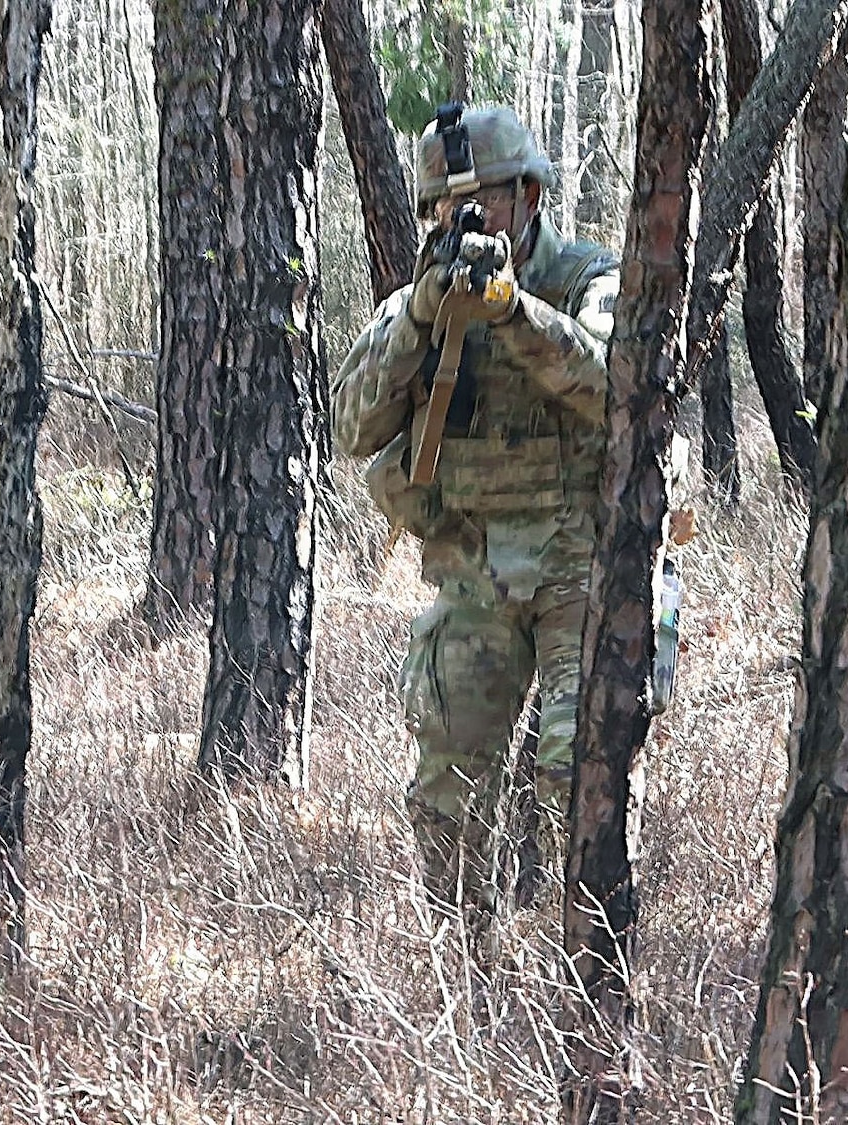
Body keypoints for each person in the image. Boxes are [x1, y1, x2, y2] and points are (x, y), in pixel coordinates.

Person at [330, 105, 621, 934]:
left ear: (530, 194)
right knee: (447, 797)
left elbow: (616, 387)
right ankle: (469, 984)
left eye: (483, 200)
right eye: (441, 208)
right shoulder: (417, 305)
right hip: (473, 572)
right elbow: (351, 427)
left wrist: (512, 312)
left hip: (580, 568)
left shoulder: (584, 280)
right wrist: (425, 317)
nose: (462, 222)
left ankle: (585, 983)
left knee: (575, 778)